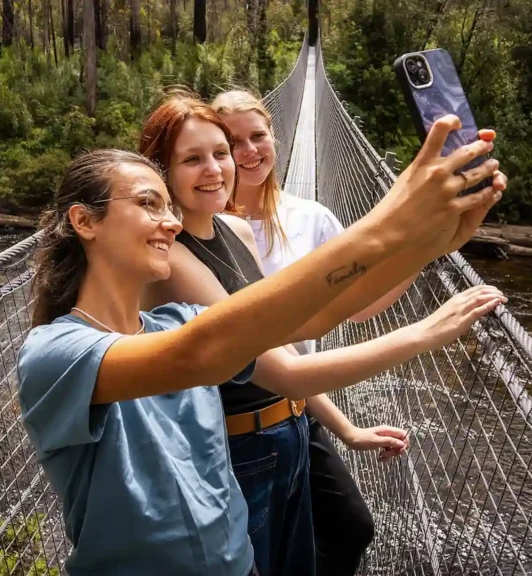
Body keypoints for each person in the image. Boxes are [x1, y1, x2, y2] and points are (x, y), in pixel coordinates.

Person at [137, 93, 506, 576]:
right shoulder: (172, 263)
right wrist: (427, 331)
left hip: (287, 432)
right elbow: (283, 369)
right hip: (234, 450)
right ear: (160, 172)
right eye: (192, 159)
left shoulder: (236, 231)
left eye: (220, 153)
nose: (215, 168)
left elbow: (314, 317)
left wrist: (434, 242)